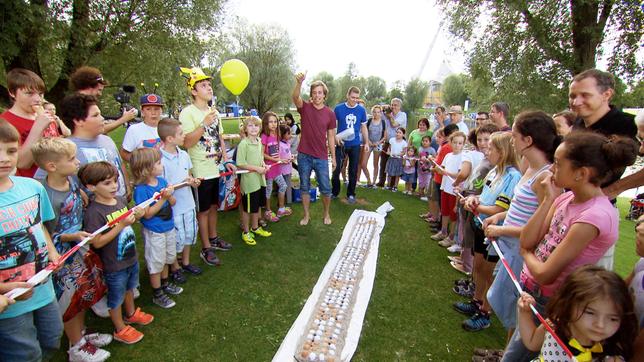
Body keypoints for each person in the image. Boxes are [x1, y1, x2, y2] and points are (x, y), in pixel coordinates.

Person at [502, 131, 638, 361]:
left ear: (581, 173)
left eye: (557, 163)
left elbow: (545, 272)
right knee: (517, 347)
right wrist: (548, 200)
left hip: (549, 299)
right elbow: (527, 239)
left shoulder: (596, 215)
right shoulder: (566, 198)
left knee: (517, 356)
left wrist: (526, 254)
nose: (552, 170)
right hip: (532, 290)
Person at [31, 138, 112, 361]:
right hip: (61, 255)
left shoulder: (70, 181)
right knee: (69, 302)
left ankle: (81, 335)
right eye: (71, 159)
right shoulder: (46, 194)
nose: (77, 162)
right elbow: (44, 231)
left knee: (82, 294)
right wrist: (71, 236)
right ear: (52, 166)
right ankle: (76, 347)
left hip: (78, 248)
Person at [483, 111, 559, 344]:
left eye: (515, 136)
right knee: (502, 298)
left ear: (528, 140)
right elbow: (520, 208)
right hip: (509, 244)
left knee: (514, 306)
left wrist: (502, 230)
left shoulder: (545, 177)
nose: (512, 141)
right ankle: (505, 351)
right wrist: (501, 217)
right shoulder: (530, 168)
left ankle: (509, 351)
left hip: (521, 248)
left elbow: (541, 227)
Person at [0, 119, 64, 361]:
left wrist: (53, 252)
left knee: (52, 338)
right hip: (9, 300)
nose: (4, 158)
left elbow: (39, 226)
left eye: (11, 151)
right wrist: (5, 290)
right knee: (24, 353)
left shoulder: (32, 188)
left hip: (42, 287)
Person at [79, 162, 153, 345]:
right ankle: (120, 329)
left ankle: (131, 314)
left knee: (129, 288)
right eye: (107, 183)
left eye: (115, 181)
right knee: (116, 297)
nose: (114, 186)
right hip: (113, 264)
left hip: (130, 257)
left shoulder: (120, 201)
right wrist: (121, 224)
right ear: (91, 187)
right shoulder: (94, 212)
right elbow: (97, 242)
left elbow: (129, 219)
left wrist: (138, 214)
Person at [455, 131, 521, 332]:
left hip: (492, 230)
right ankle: (477, 301)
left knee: (489, 271)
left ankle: (485, 312)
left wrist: (474, 206)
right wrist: (474, 199)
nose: (487, 149)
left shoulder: (513, 176)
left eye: (491, 147)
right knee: (480, 267)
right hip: (478, 225)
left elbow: (500, 209)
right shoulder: (493, 171)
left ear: (503, 152)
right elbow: (484, 196)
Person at [517, 266, 637, 361]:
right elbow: (532, 342)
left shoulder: (612, 353)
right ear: (569, 304)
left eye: (613, 319)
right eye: (590, 313)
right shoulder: (556, 324)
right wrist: (525, 312)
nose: (600, 324)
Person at [178, 67, 234, 266]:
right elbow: (185, 143)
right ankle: (205, 248)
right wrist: (203, 123)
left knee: (213, 206)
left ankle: (214, 238)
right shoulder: (187, 113)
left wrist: (226, 160)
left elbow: (220, 137)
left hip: (216, 168)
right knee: (202, 210)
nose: (208, 88)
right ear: (193, 91)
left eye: (209, 84)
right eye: (203, 85)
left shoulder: (214, 112)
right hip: (200, 170)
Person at [34, 93, 130, 198]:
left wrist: (127, 187)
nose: (102, 118)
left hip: (119, 206)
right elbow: (41, 182)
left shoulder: (107, 140)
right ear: (78, 121)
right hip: (92, 212)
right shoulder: (64, 148)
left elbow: (119, 164)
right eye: (95, 115)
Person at [568, 69, 640, 201]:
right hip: (569, 202)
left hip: (598, 207)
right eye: (573, 96)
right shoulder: (578, 122)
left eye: (585, 95)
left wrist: (616, 188)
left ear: (606, 94)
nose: (576, 102)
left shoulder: (630, 124)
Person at [131, 148, 183, 309]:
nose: (162, 165)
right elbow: (147, 214)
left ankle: (165, 283)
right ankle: (157, 292)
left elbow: (173, 203)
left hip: (168, 227)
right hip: (155, 232)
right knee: (156, 262)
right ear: (147, 168)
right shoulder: (141, 190)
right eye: (159, 163)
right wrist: (162, 198)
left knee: (168, 257)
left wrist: (170, 194)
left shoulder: (162, 182)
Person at [157, 118, 203, 278]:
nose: (184, 136)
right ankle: (175, 267)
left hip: (188, 204)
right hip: (174, 207)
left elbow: (189, 176)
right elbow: (161, 186)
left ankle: (186, 261)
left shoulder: (184, 155)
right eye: (181, 133)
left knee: (189, 233)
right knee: (176, 237)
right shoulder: (159, 159)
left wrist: (193, 182)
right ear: (169, 138)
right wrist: (181, 184)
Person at [292, 72, 336, 225]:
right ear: (311, 94)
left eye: (320, 92)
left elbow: (331, 137)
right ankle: (306, 215)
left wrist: (334, 158)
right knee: (304, 186)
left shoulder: (330, 114)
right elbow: (295, 97)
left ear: (324, 95)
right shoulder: (305, 108)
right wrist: (299, 83)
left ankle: (326, 213)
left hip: (322, 157)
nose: (317, 95)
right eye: (314, 92)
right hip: (304, 155)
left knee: (325, 188)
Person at [1, 68, 60, 178]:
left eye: (41, 94)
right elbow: (22, 163)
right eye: (29, 93)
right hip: (29, 186)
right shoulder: (5, 122)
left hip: (55, 183)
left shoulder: (45, 116)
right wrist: (38, 128)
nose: (38, 99)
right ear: (12, 93)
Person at [236, 116, 272, 245]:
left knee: (256, 207)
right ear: (245, 129)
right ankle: (246, 232)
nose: (253, 128)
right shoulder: (243, 143)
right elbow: (240, 163)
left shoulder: (259, 141)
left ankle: (255, 228)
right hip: (250, 183)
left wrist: (263, 165)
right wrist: (257, 169)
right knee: (247, 209)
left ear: (260, 128)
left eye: (256, 126)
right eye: (250, 126)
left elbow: (260, 157)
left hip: (259, 180)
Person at [69, 66, 138, 134]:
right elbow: (99, 130)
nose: (100, 94)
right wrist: (123, 119)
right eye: (99, 90)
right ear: (89, 86)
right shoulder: (78, 104)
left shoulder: (82, 102)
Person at [332, 86, 368, 204]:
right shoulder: (338, 108)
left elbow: (363, 127)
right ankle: (335, 191)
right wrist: (334, 139)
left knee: (353, 170)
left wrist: (366, 142)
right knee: (336, 168)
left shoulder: (361, 110)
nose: (354, 100)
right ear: (347, 95)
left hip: (355, 144)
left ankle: (351, 194)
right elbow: (332, 127)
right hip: (341, 143)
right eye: (353, 97)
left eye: (357, 98)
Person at [431, 130, 468, 244]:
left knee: (453, 214)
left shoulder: (464, 157)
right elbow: (441, 169)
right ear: (450, 142)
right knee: (445, 211)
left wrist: (446, 173)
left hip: (454, 191)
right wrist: (435, 166)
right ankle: (443, 231)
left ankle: (451, 237)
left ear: (463, 144)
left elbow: (461, 174)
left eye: (460, 143)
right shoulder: (448, 155)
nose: (457, 145)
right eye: (455, 142)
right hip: (445, 188)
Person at [261, 111, 291, 221]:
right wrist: (275, 160)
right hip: (268, 168)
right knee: (268, 190)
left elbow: (278, 151)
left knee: (283, 186)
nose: (273, 124)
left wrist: (283, 159)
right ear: (265, 123)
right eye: (270, 122)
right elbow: (262, 154)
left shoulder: (277, 135)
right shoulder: (264, 136)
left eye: (275, 121)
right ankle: (268, 211)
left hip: (277, 168)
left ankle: (281, 209)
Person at [120, 93, 165, 162]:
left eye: (156, 109)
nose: (153, 113)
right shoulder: (134, 130)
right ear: (142, 111)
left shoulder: (167, 127)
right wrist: (141, 164)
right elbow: (124, 153)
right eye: (148, 109)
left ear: (161, 110)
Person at [361, 105, 387, 188]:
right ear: (372, 113)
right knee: (363, 164)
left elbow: (385, 137)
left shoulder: (383, 122)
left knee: (375, 164)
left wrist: (378, 142)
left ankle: (374, 182)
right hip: (369, 144)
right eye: (375, 112)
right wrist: (368, 141)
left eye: (378, 112)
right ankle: (368, 180)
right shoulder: (369, 121)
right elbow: (365, 132)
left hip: (378, 145)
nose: (376, 114)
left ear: (381, 113)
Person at [385, 127, 408, 191]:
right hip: (391, 158)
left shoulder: (404, 143)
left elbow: (404, 152)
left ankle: (395, 186)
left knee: (397, 174)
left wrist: (398, 154)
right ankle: (388, 185)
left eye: (400, 133)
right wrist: (388, 152)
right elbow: (389, 148)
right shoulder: (392, 140)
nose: (398, 134)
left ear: (403, 135)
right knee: (389, 173)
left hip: (398, 160)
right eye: (397, 132)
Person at [279, 125, 294, 204]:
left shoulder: (287, 143)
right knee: (283, 186)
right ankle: (285, 202)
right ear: (283, 134)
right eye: (288, 133)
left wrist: (291, 157)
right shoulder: (279, 145)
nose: (290, 135)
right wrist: (285, 160)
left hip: (288, 168)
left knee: (288, 185)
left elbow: (288, 153)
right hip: (282, 170)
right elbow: (278, 158)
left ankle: (288, 201)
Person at [416, 136, 436, 200]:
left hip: (428, 170)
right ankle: (421, 194)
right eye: (423, 141)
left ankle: (426, 195)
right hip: (420, 170)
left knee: (427, 183)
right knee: (421, 182)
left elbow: (435, 159)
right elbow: (418, 157)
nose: (424, 142)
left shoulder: (432, 150)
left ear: (430, 142)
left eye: (426, 141)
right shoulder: (420, 149)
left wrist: (428, 160)